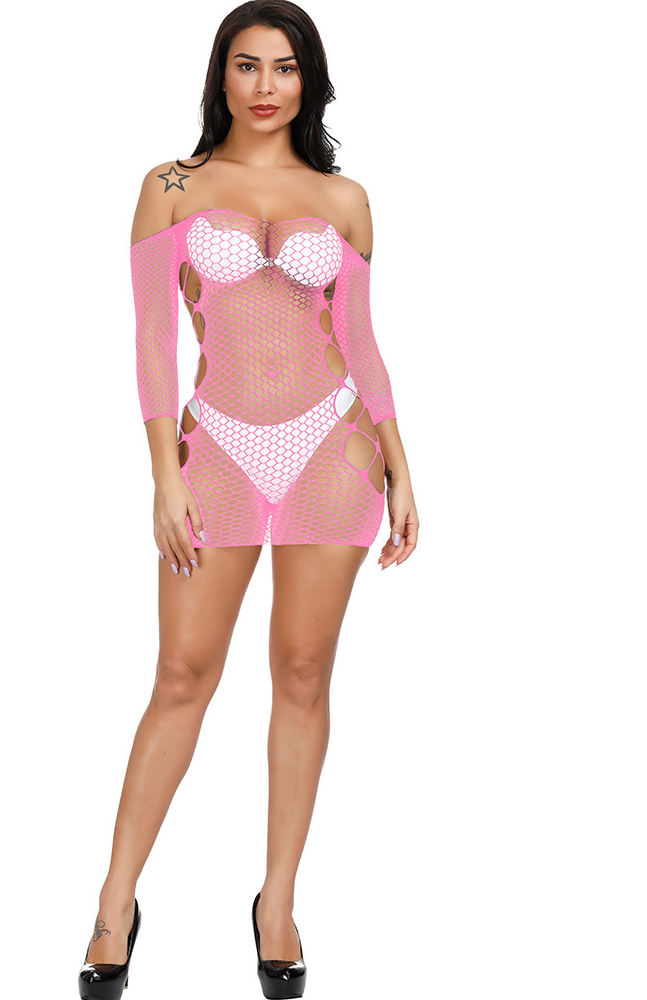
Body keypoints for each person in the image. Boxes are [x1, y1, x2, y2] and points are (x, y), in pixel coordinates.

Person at [79, 4, 418, 998]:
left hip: (333, 452)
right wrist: (164, 473)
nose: (266, 86)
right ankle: (113, 904)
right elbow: (152, 338)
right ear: (219, 76)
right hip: (217, 451)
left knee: (304, 673)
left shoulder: (345, 198)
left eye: (285, 67)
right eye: (247, 65)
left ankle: (277, 902)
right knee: (181, 675)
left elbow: (360, 339)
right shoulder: (171, 186)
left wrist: (402, 464)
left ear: (309, 81)